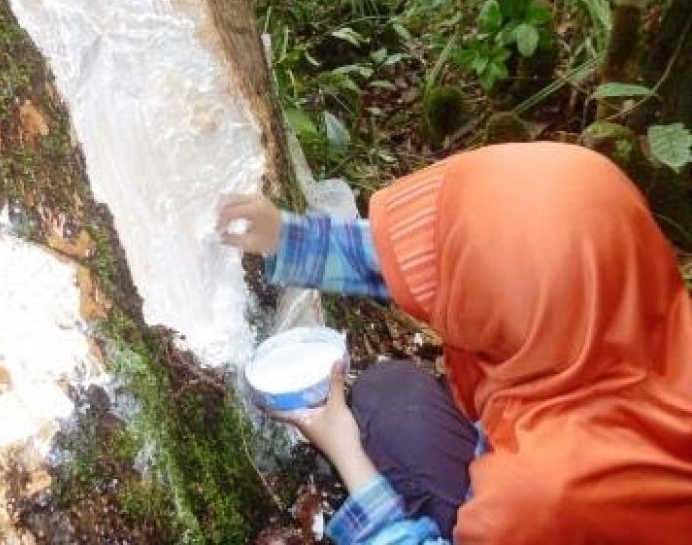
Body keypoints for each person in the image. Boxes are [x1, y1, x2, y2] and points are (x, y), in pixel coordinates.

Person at [218, 142, 692, 544]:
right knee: (391, 396)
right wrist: (284, 237)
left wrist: (350, 459)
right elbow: (437, 269)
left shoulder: (536, 494)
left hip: (544, 516)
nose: (442, 282)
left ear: (499, 307)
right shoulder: (606, 298)